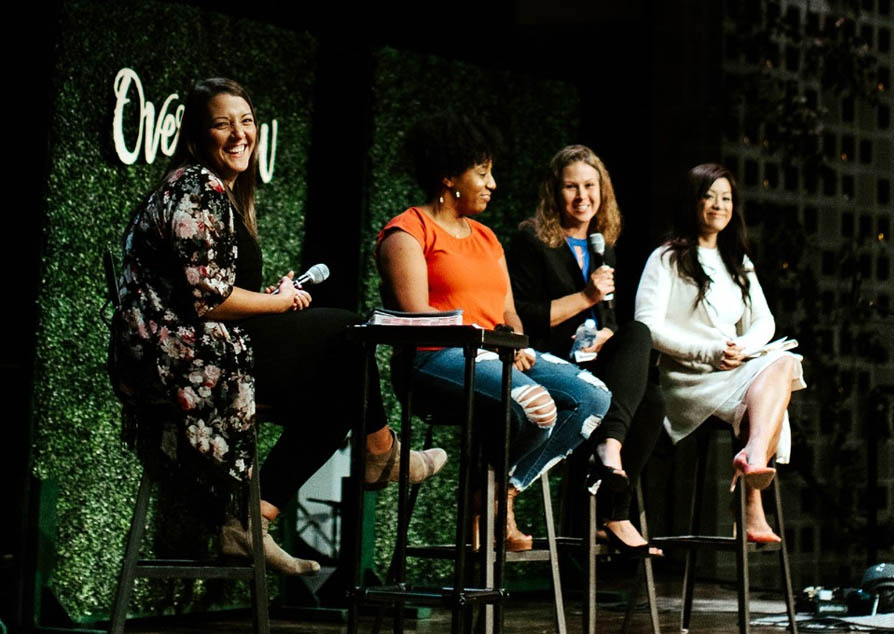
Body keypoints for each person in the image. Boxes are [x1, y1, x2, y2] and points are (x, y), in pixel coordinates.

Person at [109, 78, 447, 576]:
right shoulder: (195, 188)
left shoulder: (215, 192)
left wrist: (269, 299)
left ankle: (250, 523)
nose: (239, 134)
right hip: (182, 363)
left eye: (246, 122)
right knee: (348, 332)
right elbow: (209, 300)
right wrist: (282, 303)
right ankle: (382, 453)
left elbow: (208, 291)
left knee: (339, 396)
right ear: (198, 136)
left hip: (206, 348)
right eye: (223, 124)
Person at [376, 113, 612, 552]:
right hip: (432, 360)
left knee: (594, 397)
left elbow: (509, 312)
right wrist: (493, 343)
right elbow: (417, 315)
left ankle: (502, 492)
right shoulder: (407, 231)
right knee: (537, 405)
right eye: (482, 173)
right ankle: (494, 502)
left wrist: (515, 341)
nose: (493, 184)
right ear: (450, 177)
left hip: (493, 354)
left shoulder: (486, 238)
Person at [634, 163, 805, 542]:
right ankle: (750, 501)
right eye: (709, 196)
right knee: (778, 373)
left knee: (781, 361)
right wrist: (708, 351)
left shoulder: (737, 262)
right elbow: (646, 326)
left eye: (725, 198)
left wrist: (741, 348)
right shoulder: (666, 258)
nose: (718, 205)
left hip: (733, 367)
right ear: (692, 202)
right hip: (687, 377)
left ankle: (753, 458)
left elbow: (765, 323)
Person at [507, 145, 664, 556]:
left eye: (590, 186)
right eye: (571, 187)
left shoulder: (601, 245)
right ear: (553, 193)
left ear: (603, 190)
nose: (582, 197)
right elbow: (522, 315)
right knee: (646, 398)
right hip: (547, 358)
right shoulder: (530, 241)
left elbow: (607, 314)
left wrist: (608, 332)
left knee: (642, 356)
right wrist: (585, 296)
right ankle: (614, 506)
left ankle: (609, 489)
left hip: (591, 358)